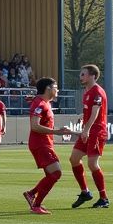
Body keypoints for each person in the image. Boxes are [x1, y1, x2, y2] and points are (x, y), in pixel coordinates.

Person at [23, 77, 72, 215]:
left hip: (44, 143)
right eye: (55, 86)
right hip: (41, 144)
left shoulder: (43, 103)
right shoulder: (40, 104)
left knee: (51, 174)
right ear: (48, 89)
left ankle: (32, 194)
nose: (58, 89)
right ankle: (35, 204)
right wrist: (57, 131)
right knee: (56, 173)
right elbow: (35, 126)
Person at [69, 63, 110, 209]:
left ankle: (104, 198)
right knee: (74, 159)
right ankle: (85, 192)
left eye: (83, 74)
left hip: (96, 132)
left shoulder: (97, 91)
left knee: (92, 164)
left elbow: (95, 113)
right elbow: (89, 111)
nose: (80, 76)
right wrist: (82, 117)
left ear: (92, 76)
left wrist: (86, 130)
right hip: (88, 130)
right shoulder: (87, 91)